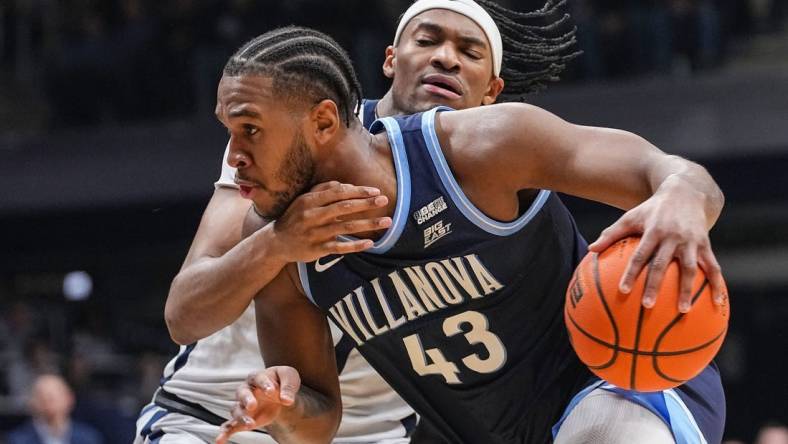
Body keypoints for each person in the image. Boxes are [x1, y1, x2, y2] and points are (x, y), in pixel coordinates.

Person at [214, 25, 727, 444]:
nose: (234, 155)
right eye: (229, 132)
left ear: (323, 123)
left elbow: (667, 171)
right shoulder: (275, 243)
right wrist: (280, 407)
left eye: (250, 130)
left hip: (620, 383)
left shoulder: (480, 147)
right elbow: (318, 419)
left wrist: (681, 198)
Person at [140, 1, 577, 443]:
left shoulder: (489, 181)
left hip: (369, 433)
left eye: (469, 52)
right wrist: (277, 242)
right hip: (213, 416)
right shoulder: (292, 138)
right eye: (427, 41)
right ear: (391, 58)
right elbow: (185, 314)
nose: (446, 58)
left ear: (492, 92)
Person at [5, 374, 104, 444]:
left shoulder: (89, 438)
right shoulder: (16, 440)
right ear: (31, 403)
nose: (48, 401)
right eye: (41, 396)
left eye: (54, 396)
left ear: (70, 399)